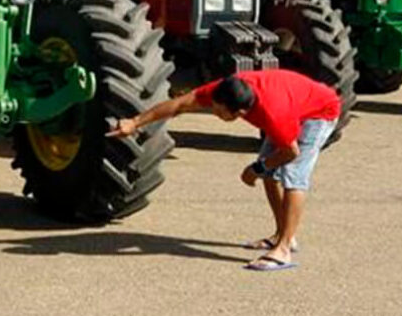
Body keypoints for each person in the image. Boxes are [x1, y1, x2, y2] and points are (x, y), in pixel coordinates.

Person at [108, 69, 340, 272]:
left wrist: (257, 168)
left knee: (293, 175)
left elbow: (291, 153)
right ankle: (281, 235)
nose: (216, 115)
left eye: (220, 113)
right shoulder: (222, 90)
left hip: (319, 113)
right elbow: (179, 105)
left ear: (240, 113)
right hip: (295, 102)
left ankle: (284, 249)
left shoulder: (273, 113)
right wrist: (135, 122)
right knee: (270, 174)